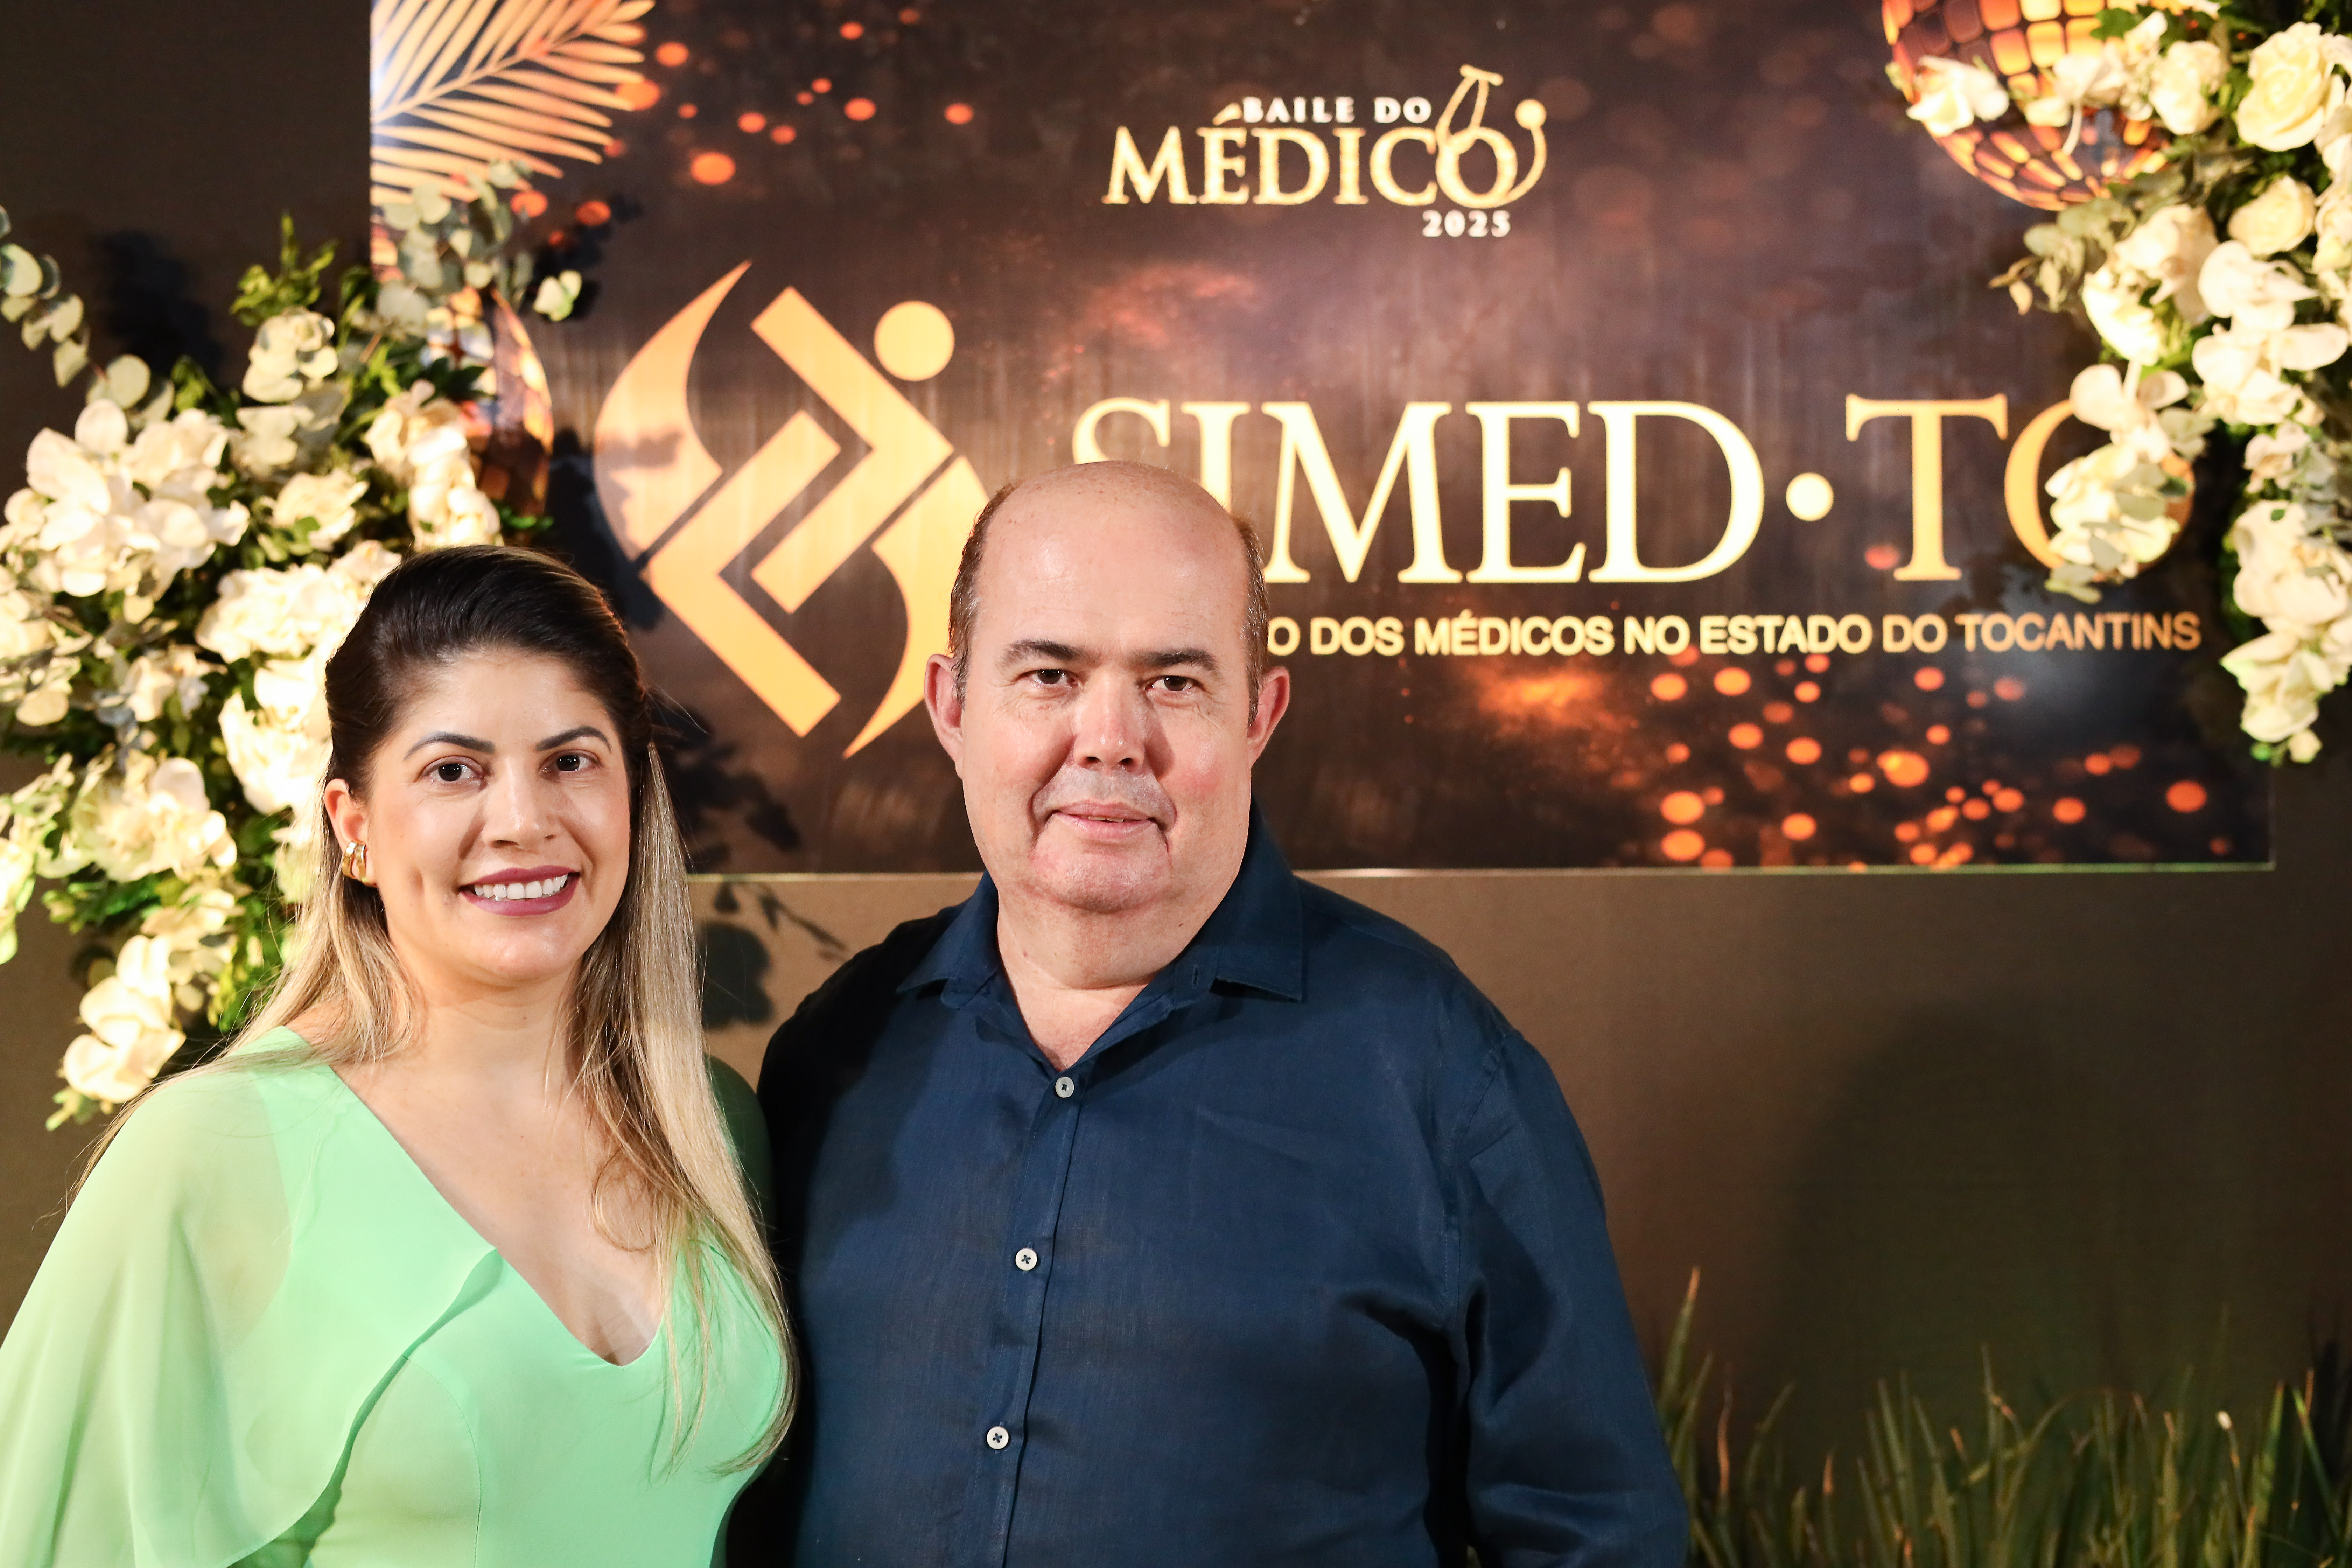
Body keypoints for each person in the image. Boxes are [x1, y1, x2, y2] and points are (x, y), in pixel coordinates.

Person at [739, 462, 1686, 1567]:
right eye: (1049, 675)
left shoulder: (1437, 1072)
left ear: (1260, 715)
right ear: (952, 707)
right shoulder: (840, 1049)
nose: (1110, 739)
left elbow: (1594, 1532)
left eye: (1174, 682)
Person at [0, 547, 789, 1567]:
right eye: (454, 771)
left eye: (571, 762)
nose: (524, 822)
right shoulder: (210, 1149)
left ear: (635, 795)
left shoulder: (708, 1125)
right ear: (355, 826)